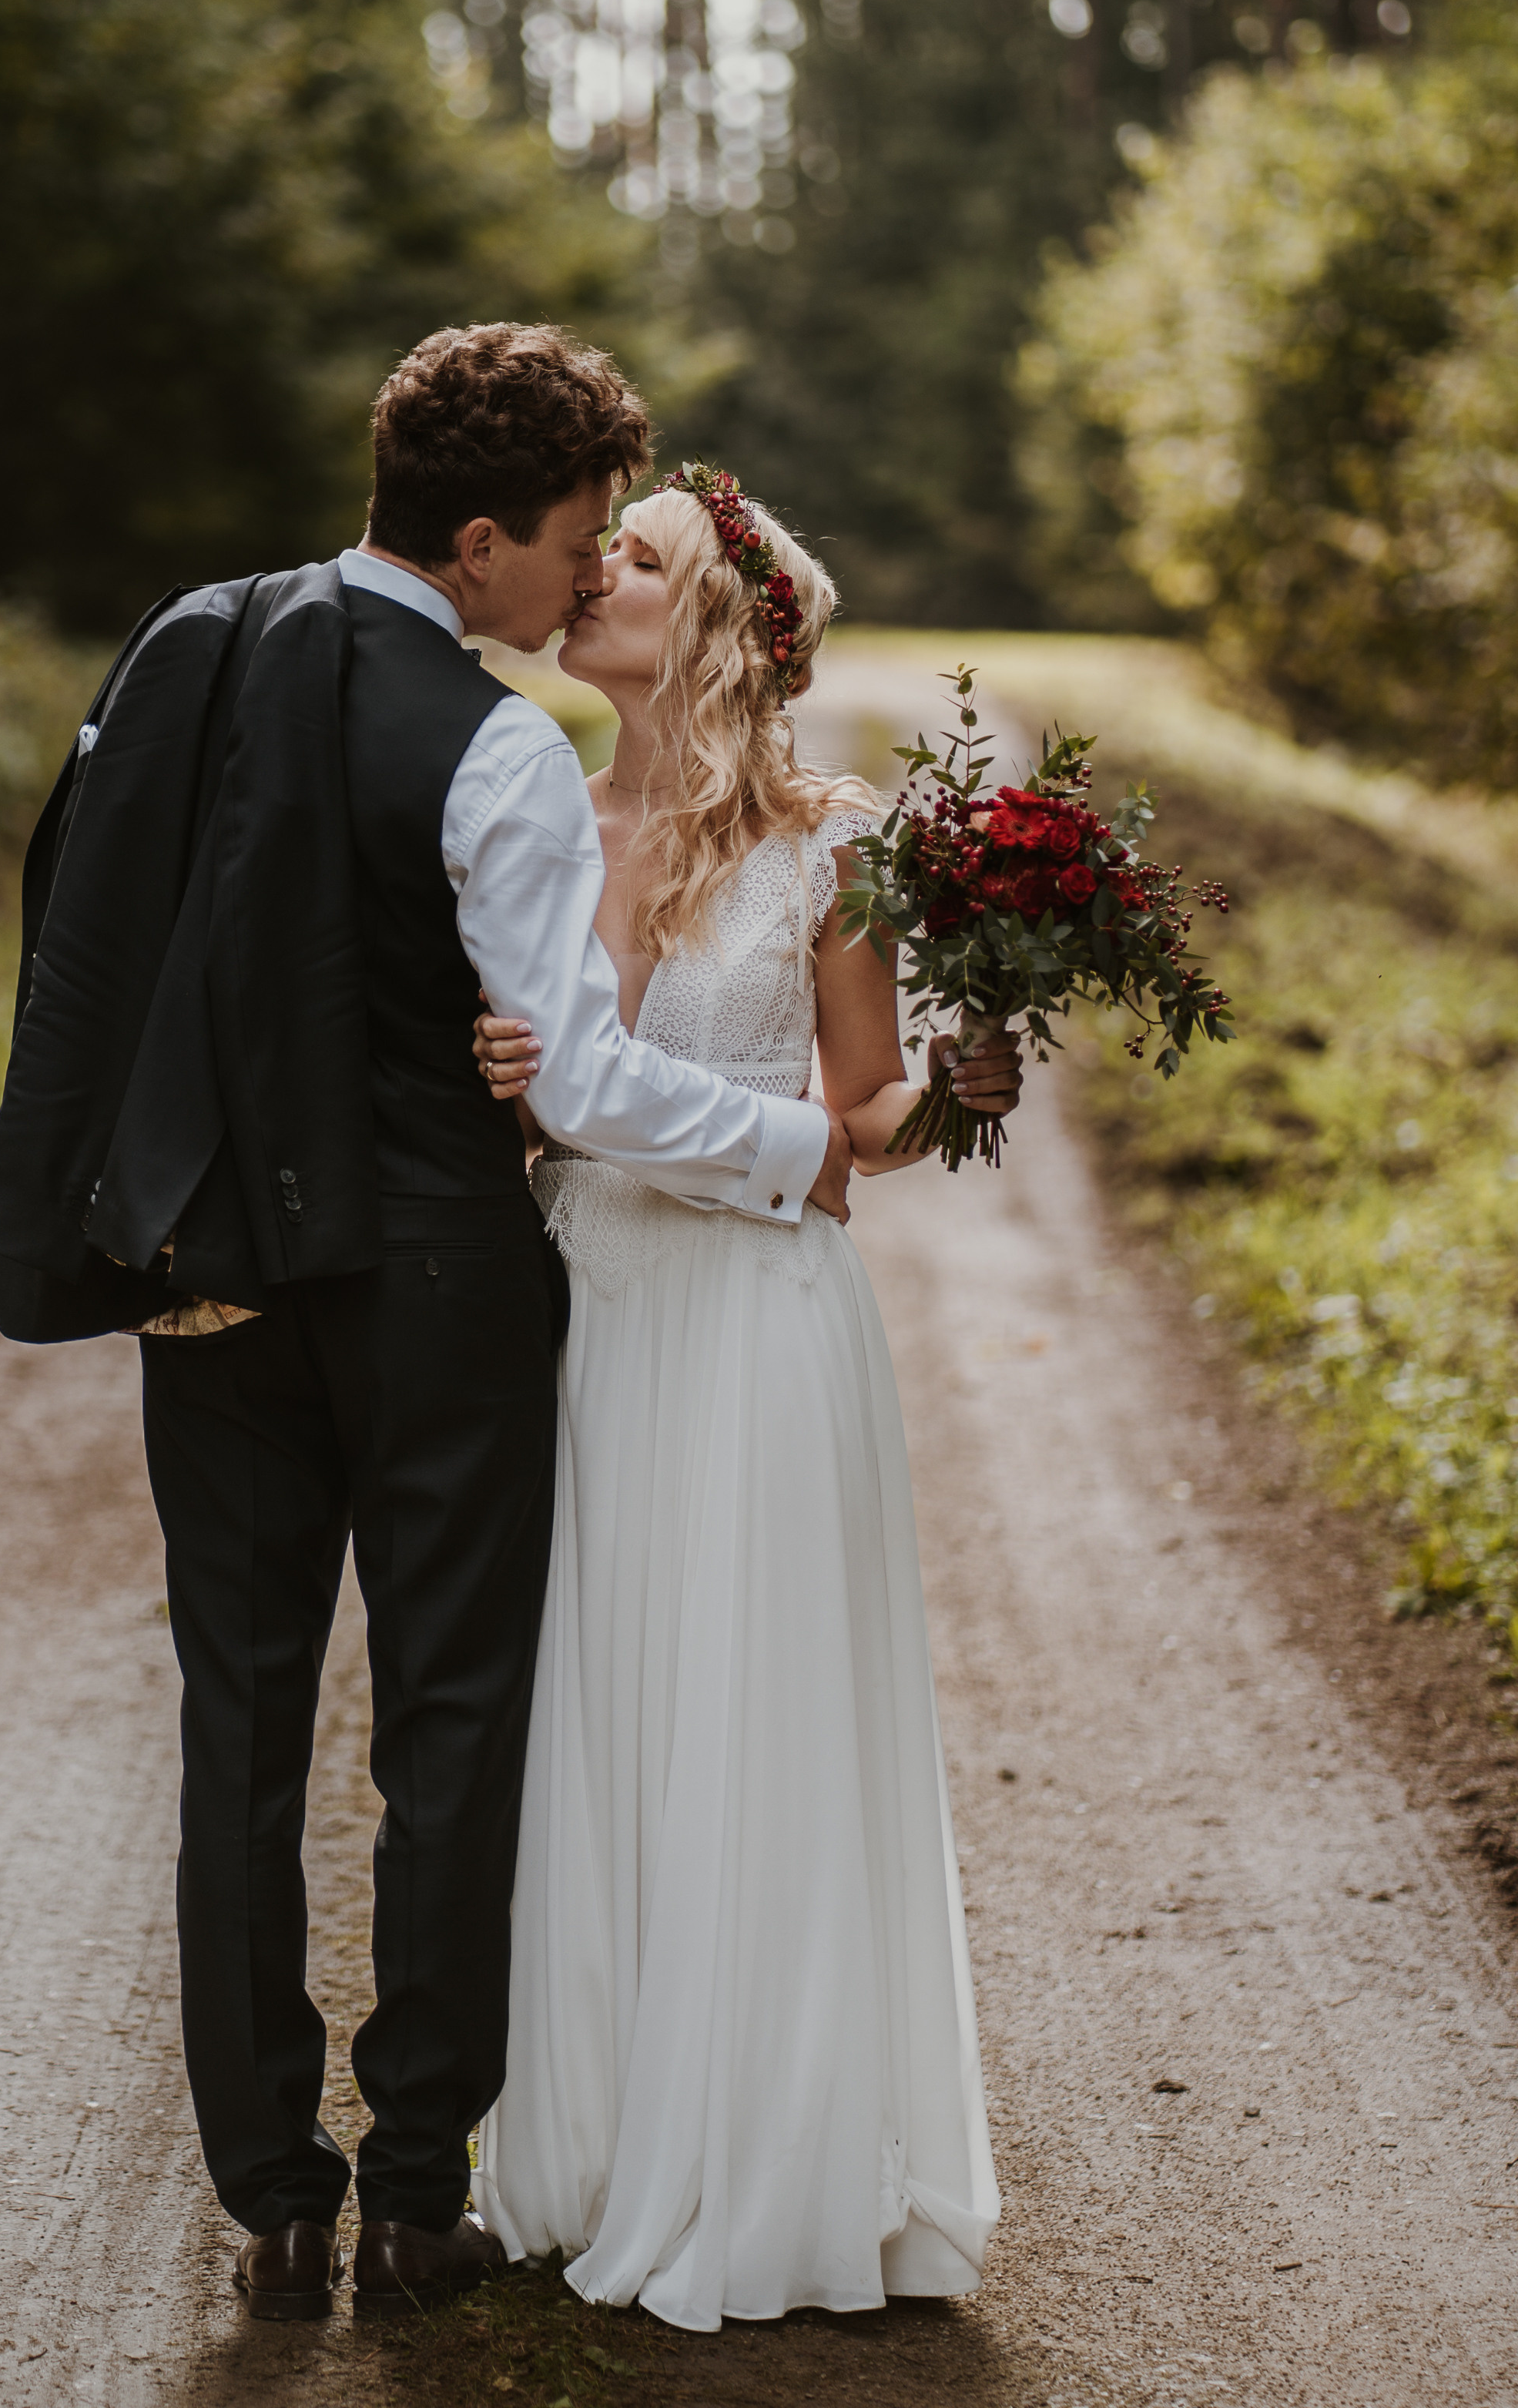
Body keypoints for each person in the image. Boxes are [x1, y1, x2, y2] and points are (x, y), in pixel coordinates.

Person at [0, 330, 859, 2324]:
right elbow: (586, 1087)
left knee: (244, 1724)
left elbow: (80, 930)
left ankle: (272, 2191)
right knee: (453, 1727)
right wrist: (797, 1140)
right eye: (563, 547)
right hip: (441, 1287)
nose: (575, 586)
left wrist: (127, 1191)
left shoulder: (183, 645)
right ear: (475, 542)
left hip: (208, 1286)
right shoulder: (493, 748)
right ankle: (417, 2184)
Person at [465, 467, 1020, 2331]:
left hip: (758, 1333)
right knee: (607, 1722)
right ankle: (611, 2147)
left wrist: (958, 1087)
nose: (589, 571)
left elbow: (864, 1116)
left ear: (720, 617)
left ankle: (774, 2168)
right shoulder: (526, 802)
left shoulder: (826, 840)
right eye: (596, 551)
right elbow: (525, 1084)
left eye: (632, 555)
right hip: (585, 1324)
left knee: (753, 1731)